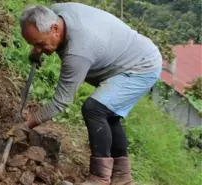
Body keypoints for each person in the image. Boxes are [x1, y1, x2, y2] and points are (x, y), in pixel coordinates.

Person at [13, 2, 163, 185]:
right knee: (109, 114)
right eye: (33, 44)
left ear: (54, 29)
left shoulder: (78, 52)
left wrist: (27, 125)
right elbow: (42, 40)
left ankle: (99, 179)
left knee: (95, 109)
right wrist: (36, 52)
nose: (37, 49)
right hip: (127, 55)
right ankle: (122, 177)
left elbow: (60, 103)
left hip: (141, 66)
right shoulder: (55, 12)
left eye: (40, 44)